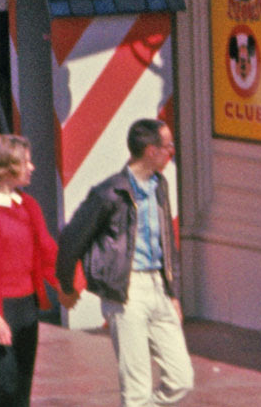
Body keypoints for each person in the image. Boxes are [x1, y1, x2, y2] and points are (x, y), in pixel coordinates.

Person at [56, 118, 194, 407]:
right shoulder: (110, 192)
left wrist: (173, 293)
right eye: (168, 146)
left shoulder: (159, 185)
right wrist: (67, 286)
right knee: (136, 388)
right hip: (126, 290)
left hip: (158, 286)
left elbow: (167, 242)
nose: (172, 151)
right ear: (151, 151)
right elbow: (71, 239)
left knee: (181, 378)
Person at [0, 134, 79, 406]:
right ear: (7, 168)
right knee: (1, 384)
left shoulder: (28, 205)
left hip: (25, 306)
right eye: (26, 162)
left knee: (21, 388)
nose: (32, 167)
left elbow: (47, 251)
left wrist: (67, 284)